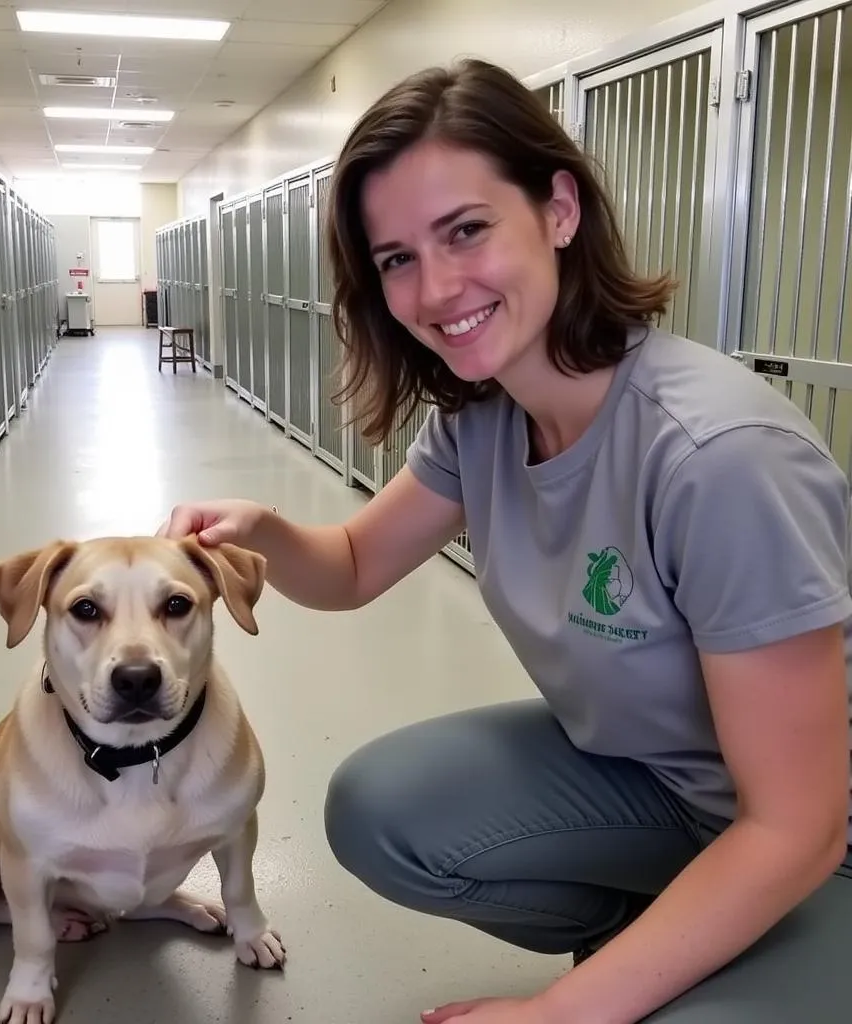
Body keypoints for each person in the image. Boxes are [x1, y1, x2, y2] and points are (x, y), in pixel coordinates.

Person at [160, 58, 852, 1023]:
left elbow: (799, 826)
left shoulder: (720, 459)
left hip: (821, 850)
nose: (436, 288)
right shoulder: (482, 420)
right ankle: (656, 938)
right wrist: (261, 529)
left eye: (467, 230)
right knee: (384, 811)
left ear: (559, 209)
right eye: (396, 257)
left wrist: (558, 1012)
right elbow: (357, 566)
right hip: (670, 793)